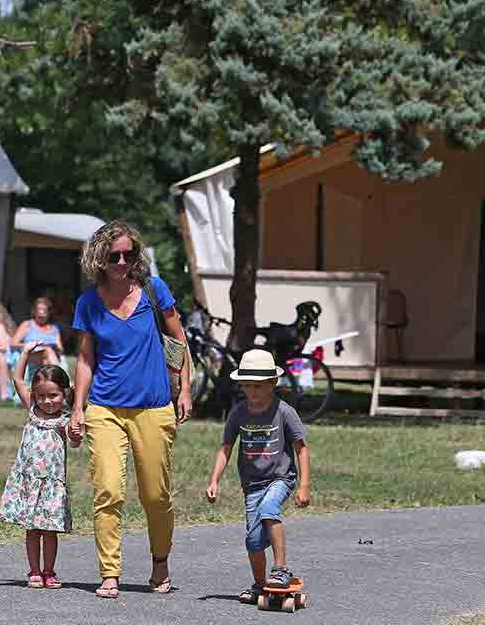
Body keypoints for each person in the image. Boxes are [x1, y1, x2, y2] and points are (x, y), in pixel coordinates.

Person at [68, 219, 191, 599]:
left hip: (154, 407)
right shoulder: (88, 302)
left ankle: (160, 562)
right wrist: (78, 407)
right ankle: (109, 572)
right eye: (114, 255)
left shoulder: (155, 290)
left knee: (156, 495)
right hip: (104, 408)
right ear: (99, 259)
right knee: (107, 490)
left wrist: (185, 389)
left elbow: (178, 339)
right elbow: (86, 358)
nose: (122, 261)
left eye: (129, 254)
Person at [204, 349, 311, 604]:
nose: (252, 391)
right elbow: (226, 448)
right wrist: (213, 480)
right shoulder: (239, 412)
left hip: (280, 478)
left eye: (258, 386)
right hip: (252, 484)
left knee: (269, 509)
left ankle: (281, 569)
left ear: (273, 383)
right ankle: (261, 585)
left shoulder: (284, 412)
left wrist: (304, 485)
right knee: (253, 541)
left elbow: (301, 449)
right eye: (247, 386)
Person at [0, 344, 80, 589]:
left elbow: (74, 444)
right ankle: (34, 570)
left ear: (64, 394)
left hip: (52, 485)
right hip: (29, 482)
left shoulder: (64, 420)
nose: (47, 401)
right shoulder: (32, 411)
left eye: (53, 396)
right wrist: (25, 354)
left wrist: (76, 435)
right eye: (42, 396)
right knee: (32, 530)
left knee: (50, 531)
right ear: (34, 395)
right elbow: (17, 378)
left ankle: (49, 571)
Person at [11, 297, 64, 368]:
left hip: (49, 357)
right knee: (47, 351)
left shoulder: (54, 329)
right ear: (34, 311)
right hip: (31, 355)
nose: (41, 313)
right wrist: (33, 344)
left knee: (47, 358)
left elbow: (60, 349)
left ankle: (51, 376)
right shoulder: (27, 324)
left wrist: (55, 348)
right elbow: (13, 344)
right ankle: (57, 376)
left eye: (44, 310)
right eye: (39, 310)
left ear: (49, 313)